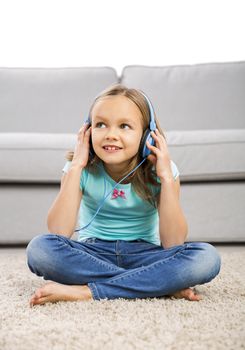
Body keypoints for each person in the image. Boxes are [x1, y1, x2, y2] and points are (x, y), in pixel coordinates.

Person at [26, 84, 221, 307]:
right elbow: (58, 232)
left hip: (146, 253)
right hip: (92, 253)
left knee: (207, 258)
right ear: (88, 131)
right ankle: (157, 283)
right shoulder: (78, 168)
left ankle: (87, 291)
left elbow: (173, 242)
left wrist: (166, 178)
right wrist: (77, 166)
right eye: (100, 125)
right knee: (39, 249)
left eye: (124, 126)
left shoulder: (164, 171)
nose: (111, 135)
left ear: (147, 135)